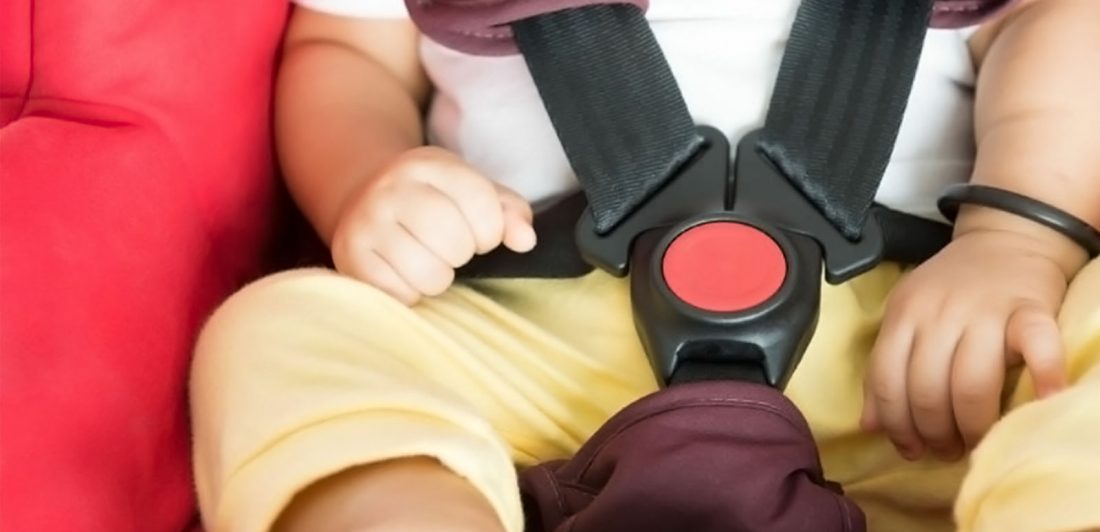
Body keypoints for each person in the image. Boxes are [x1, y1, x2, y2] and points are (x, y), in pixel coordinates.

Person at [188, 1, 1100, 531]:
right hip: (530, 355)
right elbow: (345, 52)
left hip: (923, 354)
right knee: (284, 328)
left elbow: (1059, 20)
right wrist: (369, 180)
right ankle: (405, 508)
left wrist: (1018, 237)